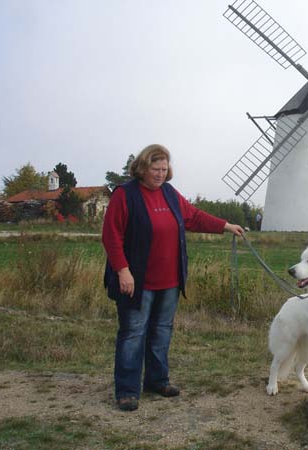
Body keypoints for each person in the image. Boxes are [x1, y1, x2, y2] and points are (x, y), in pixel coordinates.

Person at [102, 144, 244, 412]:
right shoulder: (125, 195)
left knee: (162, 331)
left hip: (169, 281)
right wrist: (122, 270)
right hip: (137, 281)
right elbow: (111, 236)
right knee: (133, 334)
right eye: (155, 169)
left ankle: (157, 381)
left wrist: (225, 226)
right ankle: (127, 391)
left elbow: (194, 217)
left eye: (164, 169)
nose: (160, 174)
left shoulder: (169, 193)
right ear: (142, 168)